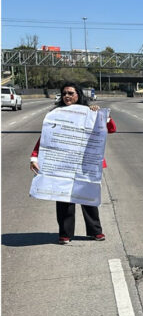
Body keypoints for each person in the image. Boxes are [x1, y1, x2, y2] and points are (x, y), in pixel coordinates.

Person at [30, 83, 117, 244]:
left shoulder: (90, 112)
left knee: (88, 197)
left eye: (71, 92)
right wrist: (34, 157)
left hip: (85, 165)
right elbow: (46, 139)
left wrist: (103, 116)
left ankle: (95, 231)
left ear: (78, 95)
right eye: (64, 93)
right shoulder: (55, 114)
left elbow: (111, 129)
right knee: (63, 198)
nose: (67, 96)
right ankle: (65, 233)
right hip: (62, 164)